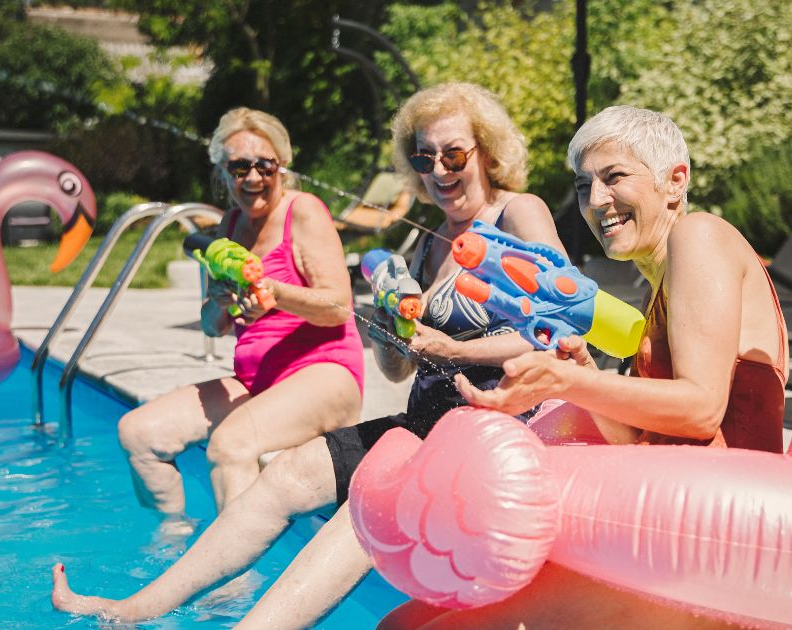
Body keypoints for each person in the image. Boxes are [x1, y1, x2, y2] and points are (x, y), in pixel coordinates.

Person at [51, 82, 566, 627]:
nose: (439, 169)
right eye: (424, 157)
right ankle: (134, 608)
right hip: (427, 423)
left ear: (486, 149)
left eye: (454, 153)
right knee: (288, 474)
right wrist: (392, 332)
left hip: (494, 425)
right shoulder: (429, 241)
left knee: (363, 506)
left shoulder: (518, 214)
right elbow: (400, 368)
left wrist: (453, 346)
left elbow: (563, 327)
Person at [387, 104, 790, 627]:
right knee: (407, 619)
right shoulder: (660, 290)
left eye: (614, 177)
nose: (596, 201)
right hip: (672, 528)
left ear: (675, 182)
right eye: (582, 185)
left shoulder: (701, 236)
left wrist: (564, 379)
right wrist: (586, 380)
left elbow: (702, 411)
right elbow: (648, 441)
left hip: (716, 550)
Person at [116, 107, 365, 521]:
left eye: (264, 166)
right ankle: (173, 548)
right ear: (224, 172)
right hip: (258, 380)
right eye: (239, 167)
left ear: (281, 165)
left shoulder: (303, 211)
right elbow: (213, 327)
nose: (252, 178)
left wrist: (276, 292)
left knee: (230, 445)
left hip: (325, 373)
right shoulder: (231, 225)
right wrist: (218, 300)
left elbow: (339, 308)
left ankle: (237, 583)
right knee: (139, 433)